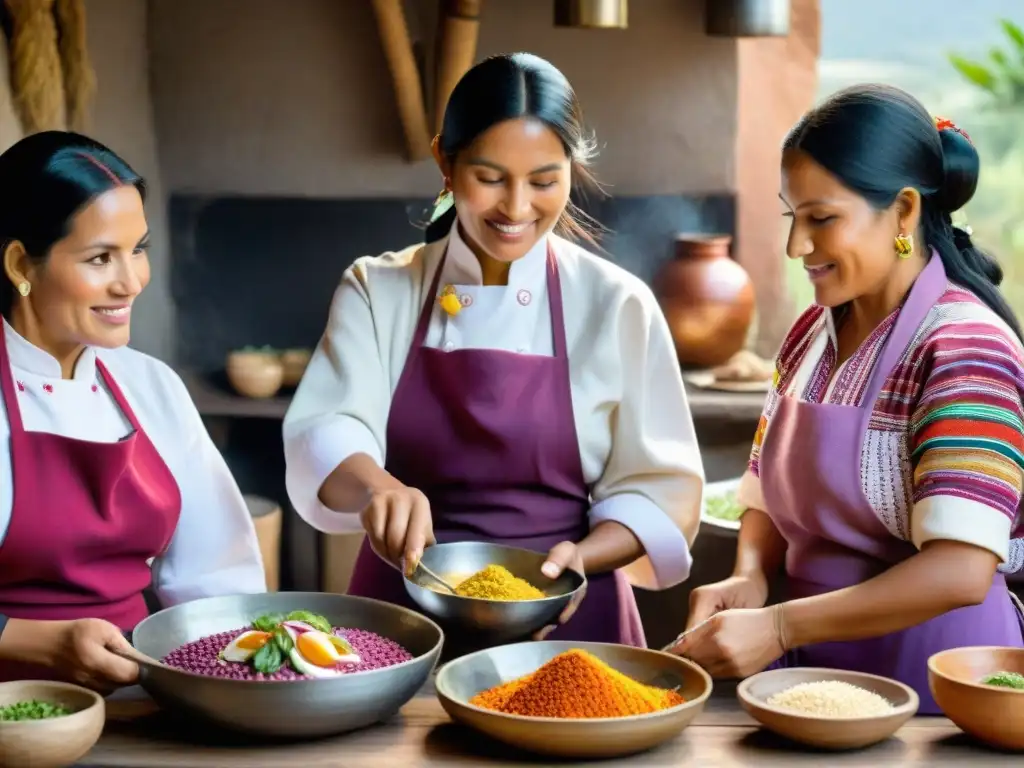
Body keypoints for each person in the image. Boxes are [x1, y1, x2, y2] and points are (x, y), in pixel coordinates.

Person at [283, 53, 704, 646]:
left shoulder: (616, 304)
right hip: (403, 610)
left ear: (571, 170)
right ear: (445, 164)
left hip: (566, 613)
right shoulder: (378, 290)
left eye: (543, 181)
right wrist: (380, 488)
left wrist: (582, 557)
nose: (516, 207)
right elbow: (328, 429)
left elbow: (660, 488)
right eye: (490, 178)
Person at [667, 84, 1024, 713]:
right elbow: (764, 495)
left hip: (937, 693)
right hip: (811, 685)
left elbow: (962, 569)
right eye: (791, 216)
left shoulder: (965, 346)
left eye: (822, 219)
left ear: (905, 212)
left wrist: (780, 626)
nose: (795, 247)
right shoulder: (811, 332)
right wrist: (750, 574)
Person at [0, 131, 266, 691]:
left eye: (138, 249)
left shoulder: (150, 385)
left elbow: (213, 578)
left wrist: (241, 682)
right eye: (101, 258)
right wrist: (36, 641)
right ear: (21, 263)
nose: (132, 282)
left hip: (145, 695)